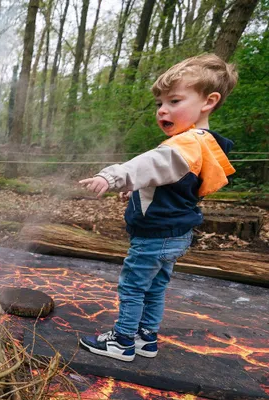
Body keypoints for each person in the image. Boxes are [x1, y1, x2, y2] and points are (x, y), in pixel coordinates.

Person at [78, 54, 238, 362]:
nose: (163, 110)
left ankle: (122, 341)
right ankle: (145, 338)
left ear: (208, 101)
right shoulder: (203, 143)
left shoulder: (184, 144)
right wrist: (136, 193)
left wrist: (111, 176)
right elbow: (169, 184)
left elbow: (147, 164)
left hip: (153, 236)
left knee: (133, 287)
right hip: (176, 234)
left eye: (174, 101)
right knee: (155, 288)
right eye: (159, 104)